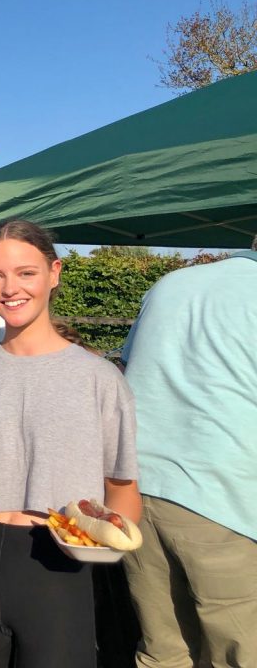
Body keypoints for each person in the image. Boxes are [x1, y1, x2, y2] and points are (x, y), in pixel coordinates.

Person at [0, 218, 141, 668]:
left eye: (26, 272)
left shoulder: (101, 380)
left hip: (64, 568)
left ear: (55, 273)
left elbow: (123, 492)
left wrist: (110, 555)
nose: (9, 288)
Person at [119, 237, 257, 668]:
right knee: (238, 653)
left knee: (163, 651)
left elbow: (131, 369)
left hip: (137, 490)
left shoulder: (170, 284)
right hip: (225, 500)